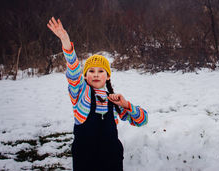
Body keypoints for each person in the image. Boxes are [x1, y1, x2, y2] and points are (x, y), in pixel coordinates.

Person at [47, 17, 148, 171]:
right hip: (85, 160)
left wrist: (126, 105)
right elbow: (73, 70)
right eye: (91, 71)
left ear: (107, 76)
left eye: (101, 71)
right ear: (85, 76)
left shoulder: (113, 100)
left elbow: (143, 119)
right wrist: (66, 41)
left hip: (111, 160)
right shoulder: (80, 93)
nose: (95, 74)